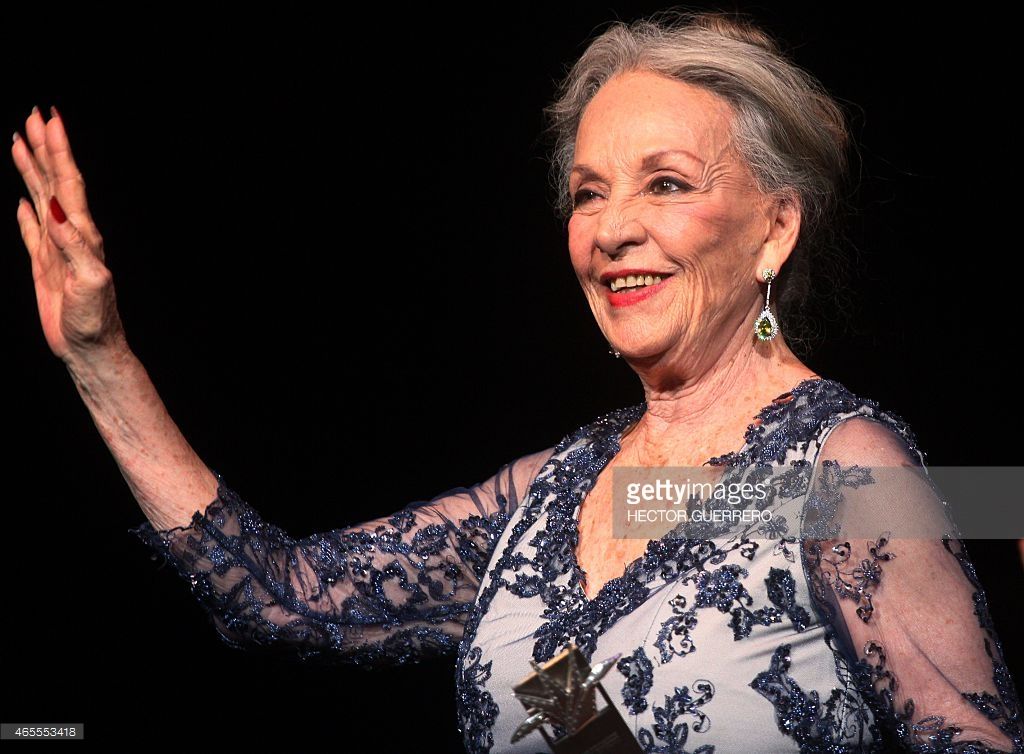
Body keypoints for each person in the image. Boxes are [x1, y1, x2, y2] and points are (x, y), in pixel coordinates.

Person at [11, 10, 1021, 754]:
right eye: (589, 193)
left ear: (774, 228)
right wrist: (102, 358)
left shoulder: (837, 472)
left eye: (666, 182)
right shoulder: (563, 493)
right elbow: (287, 600)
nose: (612, 228)